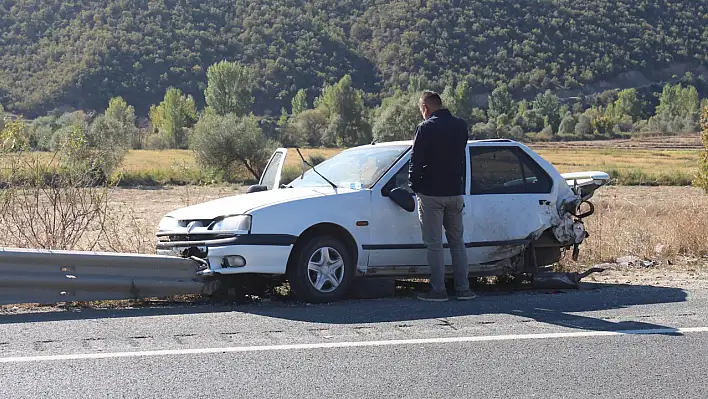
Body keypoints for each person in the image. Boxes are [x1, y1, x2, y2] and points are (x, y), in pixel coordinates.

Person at [408, 91, 475, 302]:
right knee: (457, 241)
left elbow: (415, 160)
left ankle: (438, 291)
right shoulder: (460, 125)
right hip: (455, 191)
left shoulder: (425, 128)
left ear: (425, 108)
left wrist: (414, 185)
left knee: (434, 244)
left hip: (431, 193)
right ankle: (463, 289)